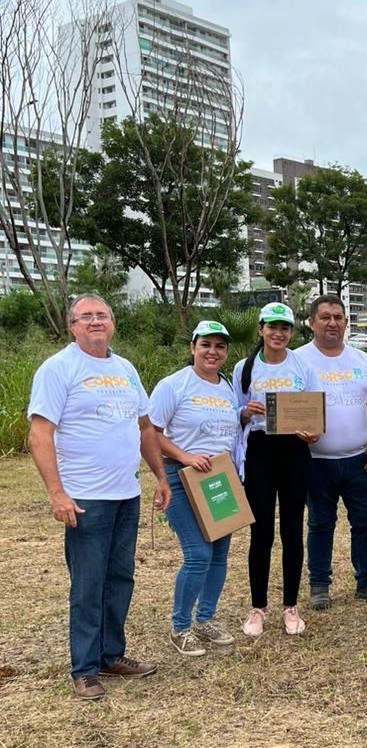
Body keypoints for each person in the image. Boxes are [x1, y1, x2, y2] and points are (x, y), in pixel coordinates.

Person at [27, 293, 171, 701]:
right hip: (86, 498)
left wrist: (160, 476)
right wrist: (56, 492)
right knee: (88, 585)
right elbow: (40, 434)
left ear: (112, 323)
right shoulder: (58, 369)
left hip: (127, 494)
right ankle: (85, 668)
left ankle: (112, 655)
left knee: (120, 578)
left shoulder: (125, 369)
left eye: (102, 315)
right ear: (72, 325)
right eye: (86, 316)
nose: (95, 321)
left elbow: (145, 428)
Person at [149, 321, 240, 657]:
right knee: (198, 554)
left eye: (219, 346)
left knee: (218, 555)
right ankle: (180, 627)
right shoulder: (174, 385)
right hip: (181, 476)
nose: (212, 352)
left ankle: (205, 620)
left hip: (219, 479)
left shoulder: (226, 387)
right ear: (193, 348)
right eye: (206, 345)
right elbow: (150, 432)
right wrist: (185, 456)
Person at [295, 294, 367, 610]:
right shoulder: (296, 360)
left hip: (359, 460)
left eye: (338, 317)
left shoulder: (362, 361)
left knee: (365, 523)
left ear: (346, 323)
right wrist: (297, 435)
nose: (332, 322)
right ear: (311, 322)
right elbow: (284, 408)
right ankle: (319, 586)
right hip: (314, 462)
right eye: (325, 317)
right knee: (320, 524)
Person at [233, 303, 320, 637]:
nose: (278, 333)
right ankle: (258, 608)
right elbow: (235, 414)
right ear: (261, 330)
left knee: (292, 530)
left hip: (295, 451)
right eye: (272, 327)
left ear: (291, 333)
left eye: (284, 328)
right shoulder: (245, 367)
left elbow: (313, 413)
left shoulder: (302, 364)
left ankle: (290, 606)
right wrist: (245, 412)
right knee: (262, 531)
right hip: (260, 451)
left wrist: (313, 431)